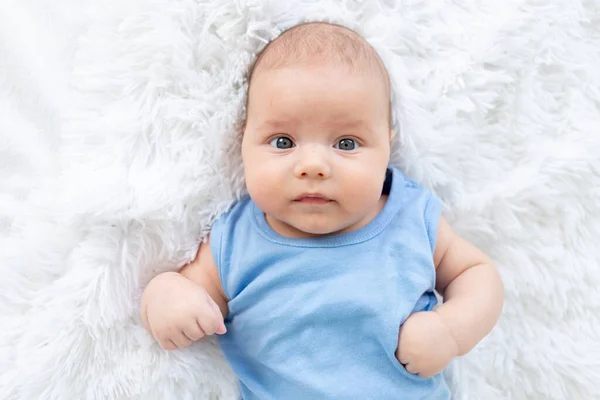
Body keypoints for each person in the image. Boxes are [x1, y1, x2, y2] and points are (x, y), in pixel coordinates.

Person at [140, 21, 504, 399]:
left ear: (386, 146)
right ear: (243, 141)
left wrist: (450, 331)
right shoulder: (235, 240)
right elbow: (185, 287)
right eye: (283, 142)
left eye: (346, 143)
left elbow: (477, 274)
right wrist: (167, 297)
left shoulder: (411, 217)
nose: (313, 165)